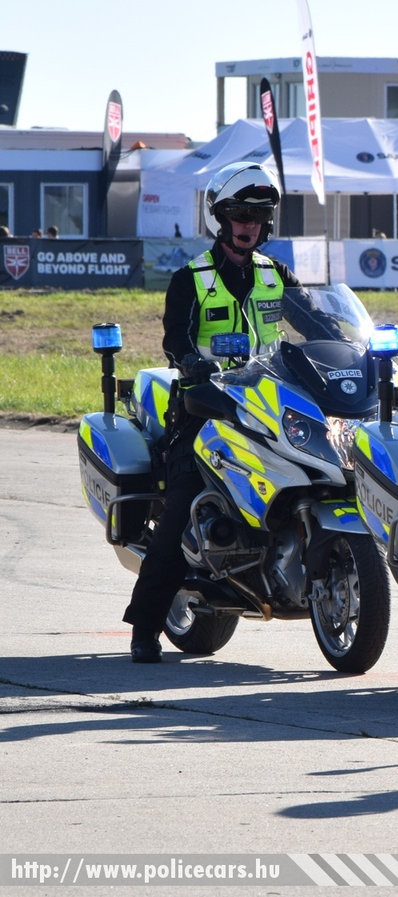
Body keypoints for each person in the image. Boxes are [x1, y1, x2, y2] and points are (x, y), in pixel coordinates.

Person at [123, 161, 306, 663]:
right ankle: (145, 627)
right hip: (204, 411)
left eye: (258, 214)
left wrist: (353, 353)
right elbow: (175, 337)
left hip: (268, 407)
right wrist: (191, 362)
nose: (249, 223)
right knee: (182, 504)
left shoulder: (277, 276)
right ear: (220, 219)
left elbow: (318, 324)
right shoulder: (192, 279)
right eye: (239, 213)